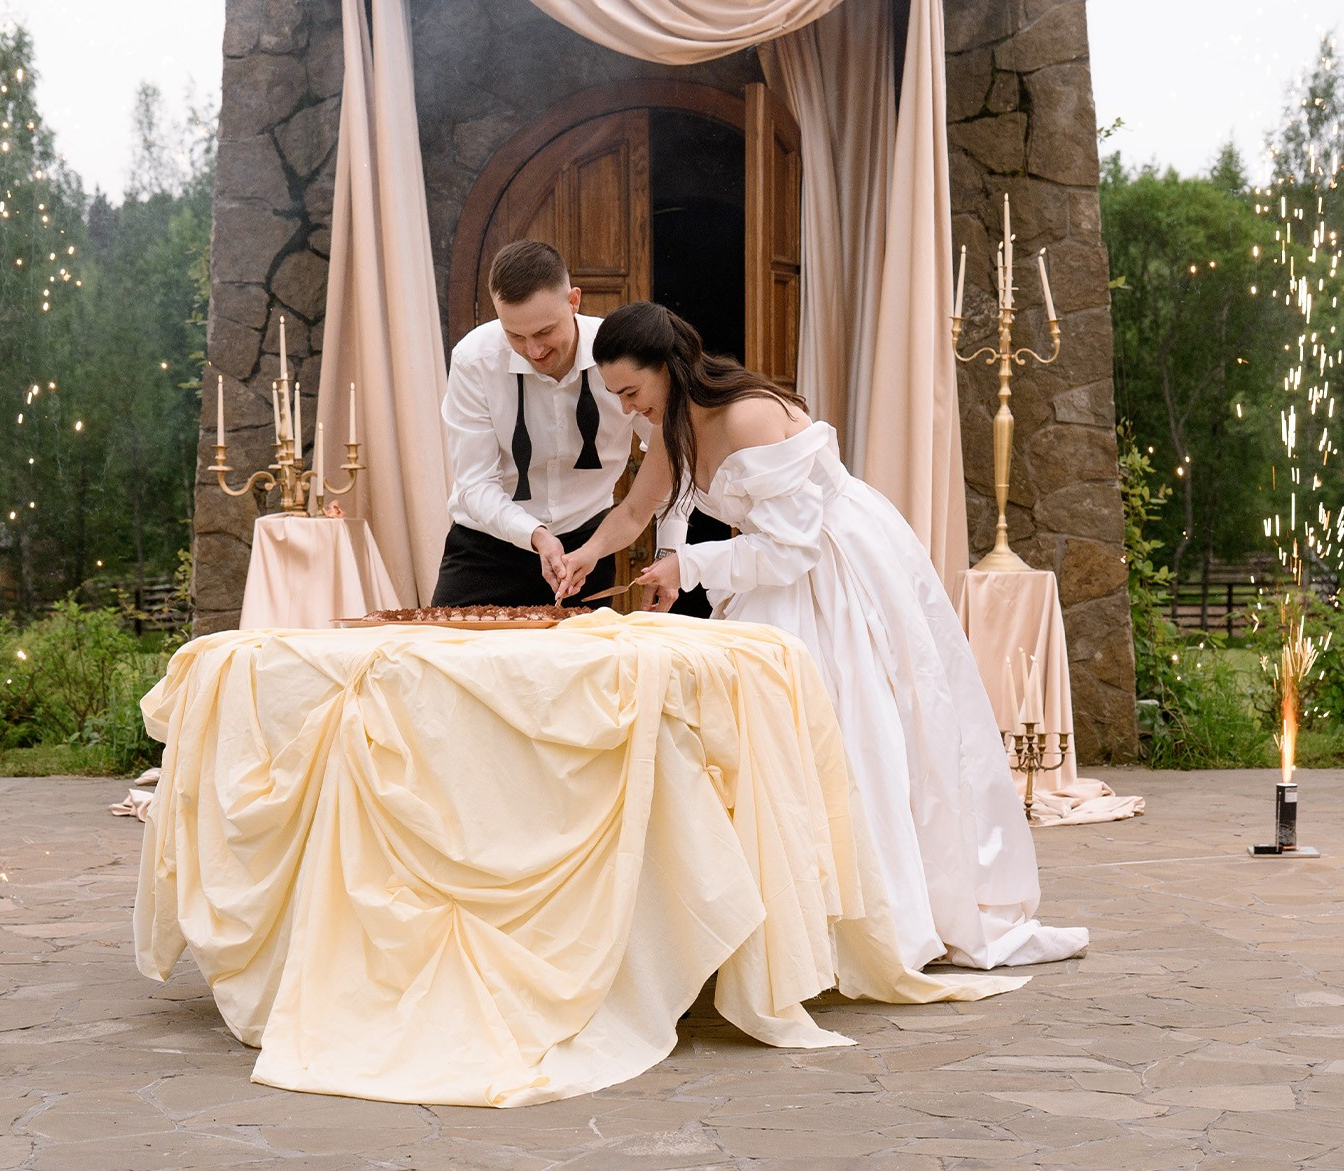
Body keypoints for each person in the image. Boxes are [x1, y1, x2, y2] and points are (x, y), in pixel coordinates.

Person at [551, 300, 1088, 972]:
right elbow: (636, 509)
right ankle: (790, 922)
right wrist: (579, 557)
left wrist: (687, 565)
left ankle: (879, 917)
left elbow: (791, 550)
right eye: (618, 397)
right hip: (776, 566)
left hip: (835, 566)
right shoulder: (674, 427)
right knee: (768, 740)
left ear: (671, 367)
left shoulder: (748, 415)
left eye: (633, 392)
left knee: (856, 732)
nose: (629, 410)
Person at [433, 241, 689, 608]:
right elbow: (474, 483)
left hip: (586, 552)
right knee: (444, 660)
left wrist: (669, 549)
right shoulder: (474, 360)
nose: (533, 351)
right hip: (484, 552)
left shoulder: (619, 354)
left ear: (574, 301)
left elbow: (676, 451)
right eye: (515, 336)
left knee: (584, 665)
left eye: (544, 332)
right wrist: (535, 535)